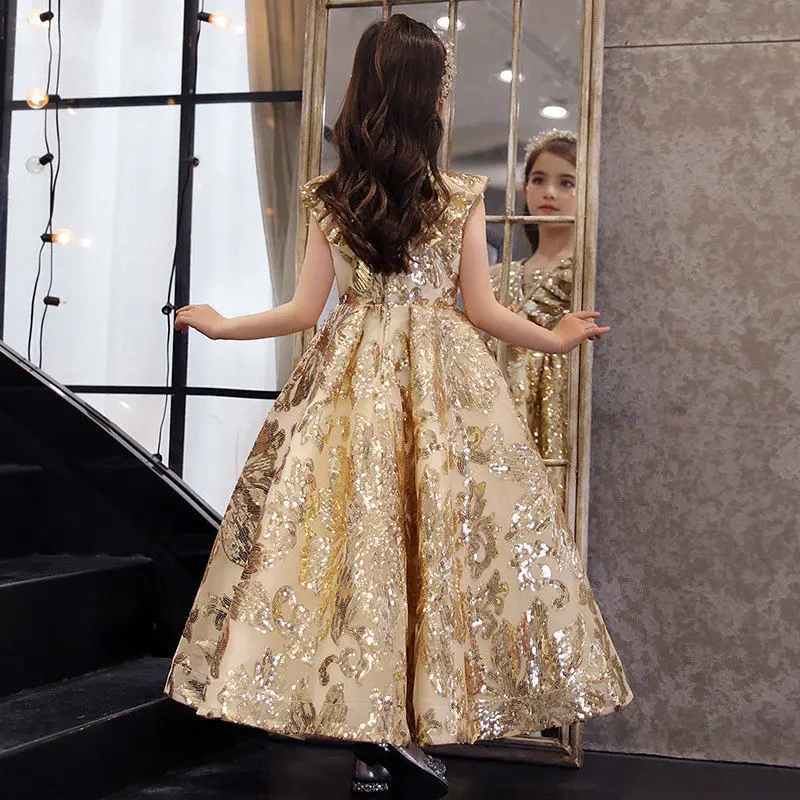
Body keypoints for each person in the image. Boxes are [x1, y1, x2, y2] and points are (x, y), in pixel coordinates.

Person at [163, 15, 633, 799]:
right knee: (422, 550)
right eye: (442, 81)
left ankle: (377, 736)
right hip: (441, 385)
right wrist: (549, 339)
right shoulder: (452, 197)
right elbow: (479, 312)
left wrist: (225, 325)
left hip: (352, 380)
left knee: (364, 551)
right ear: (426, 96)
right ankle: (397, 731)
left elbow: (301, 312)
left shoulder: (335, 197)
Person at [486, 130, 578, 510]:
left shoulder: (585, 272)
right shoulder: (497, 275)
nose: (549, 193)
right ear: (525, 188)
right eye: (539, 180)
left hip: (563, 403)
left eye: (566, 182)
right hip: (504, 403)